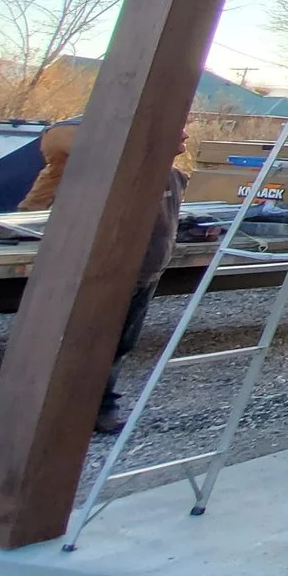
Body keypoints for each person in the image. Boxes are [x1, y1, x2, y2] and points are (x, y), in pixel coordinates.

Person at [97, 163, 186, 436]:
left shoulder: (175, 177)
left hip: (148, 274)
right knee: (97, 345)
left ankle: (102, 408)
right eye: (179, 131)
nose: (184, 137)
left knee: (122, 345)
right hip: (117, 276)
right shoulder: (128, 174)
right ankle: (86, 410)